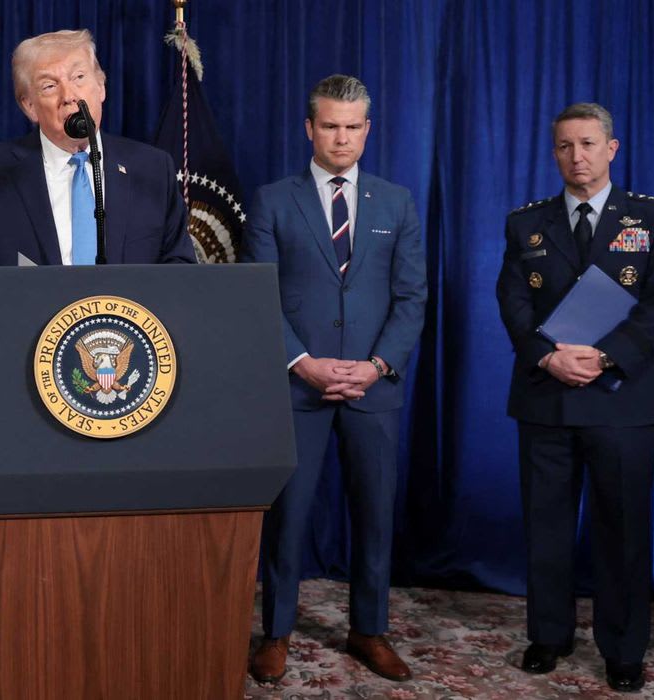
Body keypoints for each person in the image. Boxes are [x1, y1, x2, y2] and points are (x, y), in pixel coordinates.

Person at [242, 74, 426, 684]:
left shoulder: (396, 202)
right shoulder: (271, 200)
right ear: (309, 128)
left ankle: (368, 630)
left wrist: (374, 368)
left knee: (375, 516)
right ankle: (277, 632)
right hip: (298, 387)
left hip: (374, 389)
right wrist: (305, 363)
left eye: (352, 127)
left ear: (367, 131)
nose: (341, 138)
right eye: (330, 126)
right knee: (288, 518)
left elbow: (411, 297)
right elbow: (258, 296)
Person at [495, 102, 654, 693]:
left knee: (622, 528)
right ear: (553, 152)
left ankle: (624, 647)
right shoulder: (525, 223)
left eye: (587, 144)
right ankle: (549, 635)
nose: (576, 156)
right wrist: (548, 356)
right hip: (546, 394)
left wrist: (602, 357)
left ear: (612, 148)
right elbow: (513, 304)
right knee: (546, 525)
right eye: (564, 146)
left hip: (620, 396)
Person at [0, 29, 195, 266]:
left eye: (79, 77)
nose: (69, 96)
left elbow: (179, 271)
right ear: (29, 106)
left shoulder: (152, 170)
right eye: (50, 86)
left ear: (101, 87)